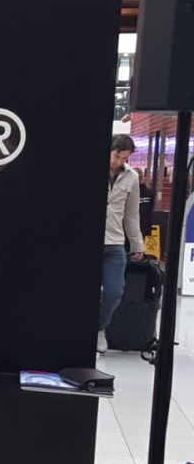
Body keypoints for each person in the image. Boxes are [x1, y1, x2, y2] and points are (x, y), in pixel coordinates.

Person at [101, 134, 145, 352]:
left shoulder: (132, 177)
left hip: (115, 243)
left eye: (124, 158)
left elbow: (131, 214)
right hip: (87, 241)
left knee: (115, 291)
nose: (119, 161)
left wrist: (137, 245)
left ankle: (99, 330)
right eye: (117, 156)